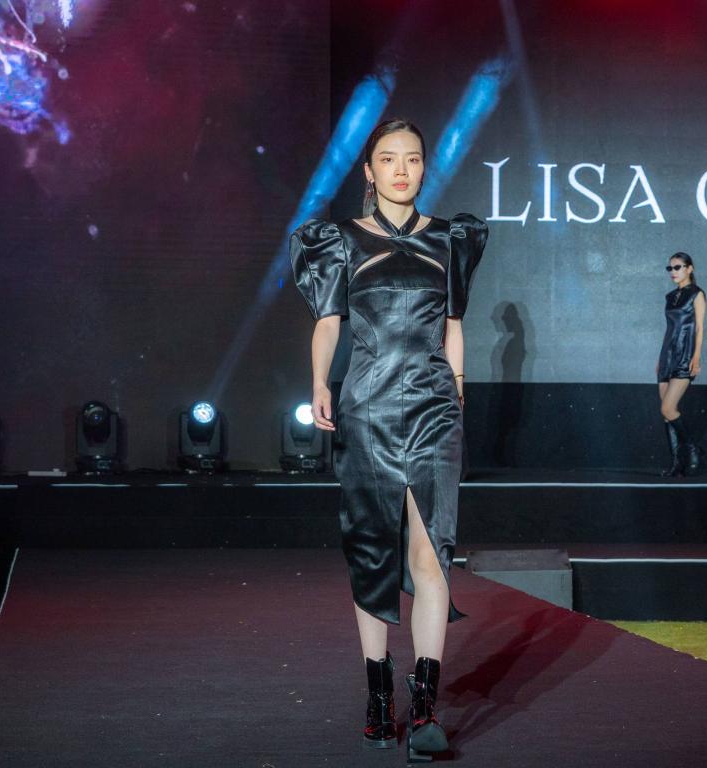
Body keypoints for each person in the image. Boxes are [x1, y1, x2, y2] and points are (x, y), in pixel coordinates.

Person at [290, 117, 487, 761]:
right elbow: (329, 321)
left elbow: (453, 325)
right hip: (368, 406)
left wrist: (458, 389)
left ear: (425, 167)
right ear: (370, 171)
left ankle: (425, 704)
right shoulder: (339, 240)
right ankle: (378, 698)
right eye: (389, 158)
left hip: (434, 408)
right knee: (373, 551)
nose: (402, 169)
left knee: (433, 555)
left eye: (413, 158)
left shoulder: (450, 239)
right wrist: (319, 383)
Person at [656, 252, 706, 476]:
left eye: (677, 267)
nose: (673, 272)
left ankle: (693, 448)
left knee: (668, 407)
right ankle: (676, 463)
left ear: (689, 268)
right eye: (670, 268)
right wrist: (660, 359)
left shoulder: (697, 294)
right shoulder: (670, 297)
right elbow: (669, 329)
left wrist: (696, 357)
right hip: (666, 356)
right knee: (666, 414)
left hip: (685, 354)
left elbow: (700, 328)